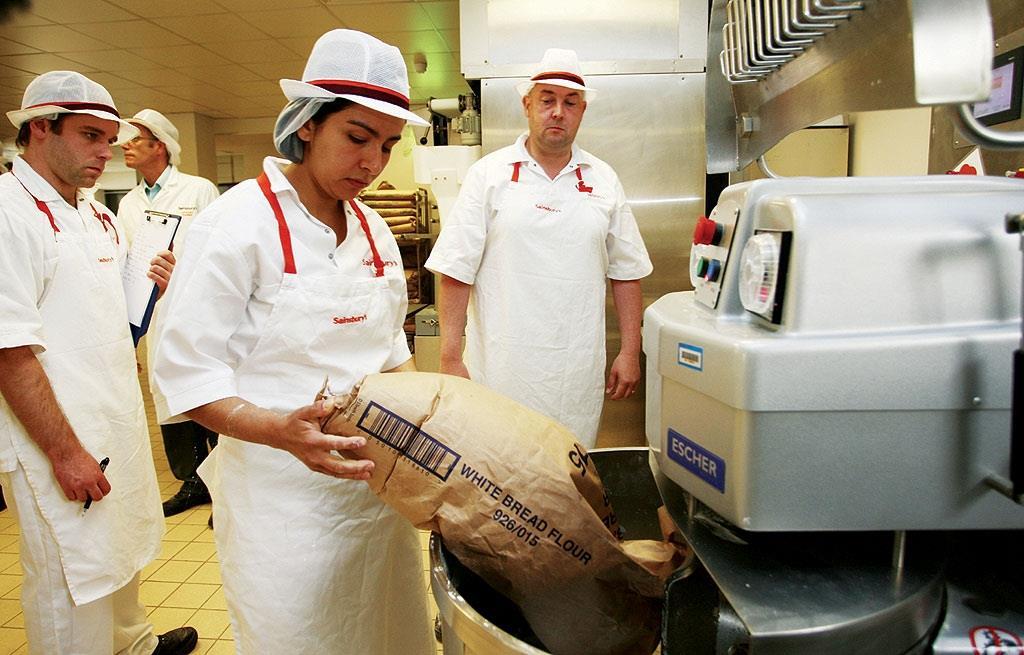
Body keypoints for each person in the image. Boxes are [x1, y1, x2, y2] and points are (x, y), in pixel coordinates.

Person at [152, 30, 434, 654]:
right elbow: (185, 374)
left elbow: (394, 356)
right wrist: (283, 431)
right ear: (307, 124)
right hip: (281, 504)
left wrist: (437, 439)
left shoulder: (374, 232)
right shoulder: (234, 226)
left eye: (387, 146)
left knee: (388, 634)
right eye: (357, 138)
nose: (372, 163)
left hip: (372, 493)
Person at [0, 71, 197, 654]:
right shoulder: (10, 214)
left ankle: (133, 644)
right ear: (40, 128)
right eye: (90, 136)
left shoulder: (96, 213)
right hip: (53, 437)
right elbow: (9, 349)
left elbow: (105, 318)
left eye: (110, 139)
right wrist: (65, 453)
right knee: (72, 580)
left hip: (111, 416)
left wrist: (148, 289)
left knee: (118, 553)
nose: (105, 152)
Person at [425, 48, 653, 449]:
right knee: (498, 473)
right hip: (500, 369)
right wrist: (449, 356)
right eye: (547, 99)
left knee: (568, 471)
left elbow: (627, 271)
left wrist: (630, 351)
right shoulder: (488, 175)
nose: (558, 112)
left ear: (582, 111)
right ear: (527, 104)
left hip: (575, 371)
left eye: (570, 103)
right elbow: (456, 269)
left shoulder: (602, 179)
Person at [118, 109, 220, 517]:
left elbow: (217, 253)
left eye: (135, 139)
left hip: (198, 311)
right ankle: (194, 482)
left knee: (209, 392)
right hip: (152, 314)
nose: (125, 145)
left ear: (158, 145)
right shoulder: (127, 203)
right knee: (171, 398)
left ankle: (225, 482)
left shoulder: (198, 191)